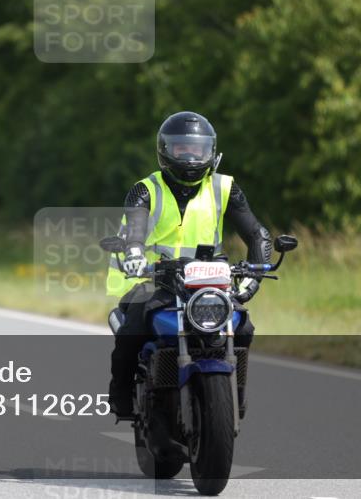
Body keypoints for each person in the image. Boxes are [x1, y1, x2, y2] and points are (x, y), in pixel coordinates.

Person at [107, 111, 273, 418]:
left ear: (211, 150)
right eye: (181, 147)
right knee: (133, 330)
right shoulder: (146, 189)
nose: (190, 155)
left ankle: (235, 396)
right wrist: (134, 254)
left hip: (211, 280)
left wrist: (253, 277)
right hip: (156, 280)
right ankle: (121, 395)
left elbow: (257, 235)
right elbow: (134, 231)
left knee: (243, 327)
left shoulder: (225, 187)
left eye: (197, 148)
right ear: (165, 150)